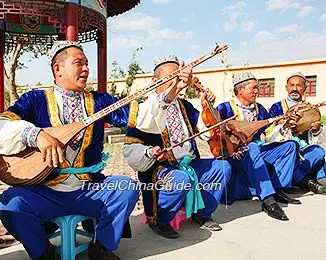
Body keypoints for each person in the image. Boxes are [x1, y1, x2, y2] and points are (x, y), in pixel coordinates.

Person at [0, 40, 139, 260]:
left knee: (126, 187)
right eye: (79, 63)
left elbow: (138, 117)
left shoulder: (100, 101)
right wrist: (36, 135)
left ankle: (102, 247)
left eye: (87, 63)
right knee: (9, 203)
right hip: (45, 191)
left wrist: (167, 97)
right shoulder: (35, 99)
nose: (87, 69)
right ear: (57, 68)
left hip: (89, 188)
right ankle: (43, 252)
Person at [123, 55, 233, 239]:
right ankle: (160, 220)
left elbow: (205, 133)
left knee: (223, 167)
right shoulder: (145, 108)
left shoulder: (185, 105)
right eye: (170, 78)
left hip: (189, 163)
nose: (176, 82)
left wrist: (207, 107)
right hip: (160, 169)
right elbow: (131, 149)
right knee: (180, 178)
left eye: (179, 77)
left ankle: (202, 214)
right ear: (155, 80)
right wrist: (150, 152)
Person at [216, 72, 301, 221]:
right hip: (234, 156)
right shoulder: (225, 108)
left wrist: (284, 123)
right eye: (253, 88)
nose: (257, 91)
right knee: (253, 148)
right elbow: (214, 133)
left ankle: (276, 188)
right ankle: (268, 199)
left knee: (290, 146)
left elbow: (268, 135)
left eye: (258, 88)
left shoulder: (259, 109)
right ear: (240, 89)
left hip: (255, 153)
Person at [269, 72, 326, 194]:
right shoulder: (277, 107)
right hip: (284, 150)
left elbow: (314, 136)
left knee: (318, 152)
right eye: (292, 85)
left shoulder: (310, 108)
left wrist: (316, 130)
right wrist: (285, 125)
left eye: (299, 86)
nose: (295, 89)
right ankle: (304, 179)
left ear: (305, 88)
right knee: (289, 156)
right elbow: (269, 136)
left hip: (304, 150)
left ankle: (295, 177)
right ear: (286, 88)